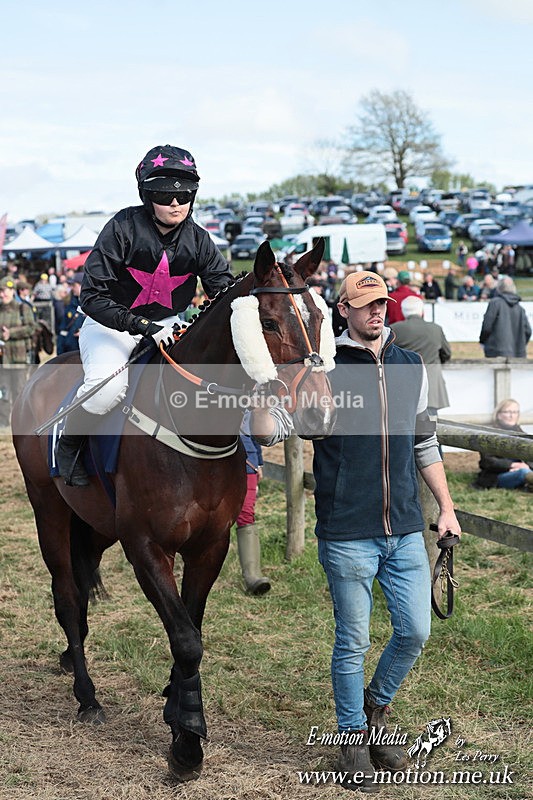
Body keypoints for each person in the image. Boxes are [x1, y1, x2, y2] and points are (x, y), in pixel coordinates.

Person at [254, 271, 461, 791]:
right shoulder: (325, 370)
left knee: (415, 631)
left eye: (382, 303)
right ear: (343, 311)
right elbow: (279, 429)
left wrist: (447, 506)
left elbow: (424, 442)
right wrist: (262, 402)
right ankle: (351, 741)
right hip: (348, 531)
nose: (376, 312)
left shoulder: (410, 364)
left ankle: (375, 709)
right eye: (365, 304)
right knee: (353, 640)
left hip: (407, 529)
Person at [55, 144, 234, 487]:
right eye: (165, 195)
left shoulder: (199, 240)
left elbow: (223, 293)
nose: (176, 203)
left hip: (170, 326)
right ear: (147, 194)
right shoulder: (122, 227)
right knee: (108, 389)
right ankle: (70, 441)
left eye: (184, 196)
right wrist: (140, 325)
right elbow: (91, 297)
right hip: (112, 326)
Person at [391, 295, 451, 419]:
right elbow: (447, 353)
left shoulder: (395, 329)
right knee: (432, 428)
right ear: (422, 311)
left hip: (404, 386)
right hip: (431, 385)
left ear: (403, 311)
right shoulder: (436, 329)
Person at [235, 417, 271, 596]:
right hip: (216, 461)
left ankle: (252, 575)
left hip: (248, 463)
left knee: (246, 513)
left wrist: (259, 461)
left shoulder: (250, 395)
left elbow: (255, 428)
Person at [0, 276, 38, 425]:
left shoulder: (23, 308)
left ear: (12, 291)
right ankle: (3, 423)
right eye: (0, 292)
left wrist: (12, 333)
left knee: (19, 392)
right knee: (2, 393)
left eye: (5, 291)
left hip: (19, 359)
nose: (2, 295)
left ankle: (22, 423)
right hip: (3, 359)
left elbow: (31, 328)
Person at [474, 399, 533, 491]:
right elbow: (487, 461)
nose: (511, 415)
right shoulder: (488, 436)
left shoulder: (524, 436)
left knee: (524, 471)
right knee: (522, 472)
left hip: (524, 470)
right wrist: (512, 465)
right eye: (507, 412)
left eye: (514, 412)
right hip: (498, 476)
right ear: (499, 415)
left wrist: (526, 466)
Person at [479, 276, 531, 358]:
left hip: (496, 352)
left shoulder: (495, 303)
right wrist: (520, 345)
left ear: (499, 288)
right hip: (518, 354)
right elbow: (528, 331)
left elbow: (487, 326)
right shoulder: (520, 308)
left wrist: (483, 341)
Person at [56, 273, 85, 354]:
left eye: (74, 285)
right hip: (70, 352)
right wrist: (60, 352)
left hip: (85, 352)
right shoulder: (71, 305)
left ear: (82, 286)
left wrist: (85, 333)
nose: (72, 288)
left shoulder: (94, 306)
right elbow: (63, 330)